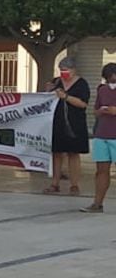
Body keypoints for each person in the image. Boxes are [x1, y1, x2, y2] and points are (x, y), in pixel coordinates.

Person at [45, 57, 90, 195]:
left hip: (75, 123)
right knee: (57, 153)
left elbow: (83, 104)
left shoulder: (81, 84)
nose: (64, 73)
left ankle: (74, 185)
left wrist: (66, 97)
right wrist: (48, 90)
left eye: (66, 70)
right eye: (62, 70)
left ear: (74, 70)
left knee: (73, 153)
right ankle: (55, 183)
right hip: (57, 122)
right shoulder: (57, 82)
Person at [82, 63, 116, 213]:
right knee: (101, 170)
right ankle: (97, 203)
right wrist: (101, 111)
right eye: (109, 78)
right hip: (102, 133)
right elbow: (95, 111)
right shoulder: (102, 90)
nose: (112, 81)